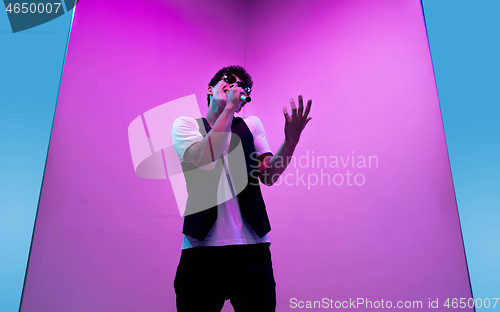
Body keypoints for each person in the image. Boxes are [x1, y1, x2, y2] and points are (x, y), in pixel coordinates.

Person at [171, 65, 312, 312]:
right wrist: (228, 109)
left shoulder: (251, 125)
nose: (235, 86)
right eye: (228, 81)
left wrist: (291, 141)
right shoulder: (186, 126)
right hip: (201, 252)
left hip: (252, 250)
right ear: (210, 89)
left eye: (242, 87)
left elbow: (269, 175)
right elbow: (205, 157)